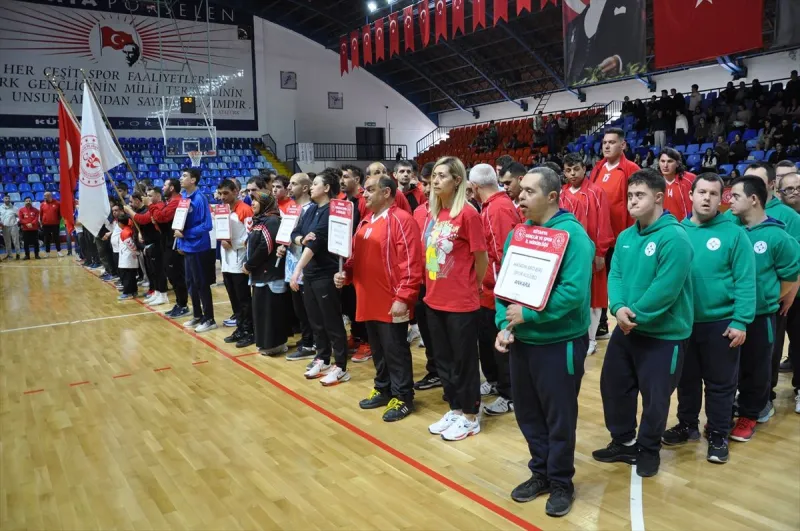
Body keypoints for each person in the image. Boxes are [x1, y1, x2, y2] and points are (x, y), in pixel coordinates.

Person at [495, 166, 594, 517]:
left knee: (559, 416)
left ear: (552, 196)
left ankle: (562, 481)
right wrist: (502, 323)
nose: (519, 196)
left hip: (560, 342)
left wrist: (530, 315)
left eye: (528, 191)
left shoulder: (575, 237)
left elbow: (572, 293)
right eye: (519, 190)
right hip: (523, 342)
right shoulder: (518, 234)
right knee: (528, 413)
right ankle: (541, 473)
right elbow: (504, 286)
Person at [593, 168, 694, 478]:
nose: (632, 201)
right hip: (628, 329)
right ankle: (623, 440)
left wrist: (631, 315)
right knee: (614, 386)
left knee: (655, 396)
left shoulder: (675, 237)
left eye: (640, 196)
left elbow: (666, 289)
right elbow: (616, 275)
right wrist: (619, 307)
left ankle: (649, 449)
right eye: (630, 196)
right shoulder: (625, 237)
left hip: (664, 335)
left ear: (659, 198)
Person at [663, 173, 755, 464]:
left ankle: (717, 434)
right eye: (701, 192)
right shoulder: (677, 232)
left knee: (720, 384)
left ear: (721, 199)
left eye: (713, 194)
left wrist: (741, 320)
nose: (706, 198)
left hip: (721, 323)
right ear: (690, 195)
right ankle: (687, 424)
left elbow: (745, 280)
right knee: (685, 381)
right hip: (684, 323)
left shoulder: (734, 233)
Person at [337, 173, 423, 422]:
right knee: (378, 348)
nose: (364, 194)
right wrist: (346, 274)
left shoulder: (401, 220)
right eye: (364, 190)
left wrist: (404, 297)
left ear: (386, 193)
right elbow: (355, 258)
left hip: (391, 299)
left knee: (395, 349)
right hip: (367, 298)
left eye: (370, 189)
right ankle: (384, 387)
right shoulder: (366, 221)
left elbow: (411, 262)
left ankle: (403, 396)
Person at [727, 176, 800, 442]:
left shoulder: (777, 235)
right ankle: (733, 408)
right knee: (730, 366)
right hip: (731, 314)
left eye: (735, 196)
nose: (729, 201)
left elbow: (791, 275)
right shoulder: (731, 229)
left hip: (761, 316)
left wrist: (769, 298)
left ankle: (750, 414)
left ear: (754, 199)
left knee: (757, 365)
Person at [423, 156, 488, 442]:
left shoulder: (469, 214)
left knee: (463, 361)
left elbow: (481, 257)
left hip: (461, 301)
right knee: (444, 361)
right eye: (433, 176)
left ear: (457, 180)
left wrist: (471, 285)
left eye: (441, 176)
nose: (435, 181)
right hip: (435, 298)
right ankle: (456, 408)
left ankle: (471, 415)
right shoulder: (437, 213)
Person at [743, 162, 800, 415]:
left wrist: (789, 292)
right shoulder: (738, 216)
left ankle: (793, 389)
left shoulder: (787, 216)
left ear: (770, 184)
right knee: (764, 351)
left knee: (791, 344)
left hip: (787, 295)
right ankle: (763, 395)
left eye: (757, 181)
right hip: (755, 300)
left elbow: (795, 260)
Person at [467, 164, 520, 416]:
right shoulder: (497, 205)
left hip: (495, 291)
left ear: (475, 187)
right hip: (491, 289)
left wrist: (499, 291)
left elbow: (500, 255)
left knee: (499, 343)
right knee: (488, 341)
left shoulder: (495, 210)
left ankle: (509, 394)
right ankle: (498, 382)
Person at [291, 171, 350, 385]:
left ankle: (341, 366)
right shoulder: (311, 210)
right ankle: (323, 358)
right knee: (316, 321)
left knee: (332, 322)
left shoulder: (332, 211)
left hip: (326, 274)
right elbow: (295, 232)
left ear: (326, 188)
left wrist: (296, 270)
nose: (312, 187)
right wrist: (300, 239)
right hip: (311, 274)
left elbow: (316, 243)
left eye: (315, 184)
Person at [561, 153, 614, 355]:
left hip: (591, 253)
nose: (572, 173)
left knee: (595, 297)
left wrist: (600, 252)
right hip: (566, 255)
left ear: (584, 169)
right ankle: (574, 334)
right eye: (568, 170)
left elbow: (602, 223)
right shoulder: (562, 193)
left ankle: (591, 339)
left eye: (576, 169)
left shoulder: (595, 192)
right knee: (572, 293)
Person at [589, 128, 640, 337]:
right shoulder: (598, 169)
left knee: (624, 280)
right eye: (604, 143)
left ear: (623, 145)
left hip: (623, 236)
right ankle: (601, 325)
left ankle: (632, 320)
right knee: (600, 282)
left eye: (612, 142)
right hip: (601, 238)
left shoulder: (631, 168)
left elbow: (637, 202)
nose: (607, 146)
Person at [278, 173, 317, 361]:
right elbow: (288, 235)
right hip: (291, 263)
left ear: (304, 187)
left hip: (305, 265)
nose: (289, 187)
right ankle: (307, 339)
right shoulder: (291, 208)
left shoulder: (312, 209)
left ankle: (311, 342)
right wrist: (282, 246)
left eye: (293, 184)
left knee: (307, 308)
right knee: (298, 308)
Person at [244, 192, 287, 356]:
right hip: (259, 275)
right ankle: (265, 343)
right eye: (252, 200)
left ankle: (275, 344)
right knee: (261, 310)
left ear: (266, 203)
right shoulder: (260, 220)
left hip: (269, 275)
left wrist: (249, 265)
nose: (253, 203)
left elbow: (266, 247)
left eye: (256, 201)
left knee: (271, 310)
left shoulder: (272, 220)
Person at [563, 0, 645, 85]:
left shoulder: (628, 5)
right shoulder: (575, 24)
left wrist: (619, 59)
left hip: (617, 85)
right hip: (582, 89)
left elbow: (637, 39)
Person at [412, 162, 442, 391]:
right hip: (421, 281)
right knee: (427, 329)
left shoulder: (450, 211)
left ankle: (448, 374)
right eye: (425, 184)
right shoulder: (419, 211)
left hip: (441, 281)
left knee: (444, 333)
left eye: (433, 183)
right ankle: (435, 371)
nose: (429, 188)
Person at [176, 168, 216, 333]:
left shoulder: (200, 199)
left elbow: (207, 225)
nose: (181, 178)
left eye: (185, 176)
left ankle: (210, 318)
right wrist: (180, 243)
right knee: (190, 283)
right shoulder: (183, 197)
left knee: (201, 283)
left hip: (199, 247)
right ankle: (198, 315)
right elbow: (180, 223)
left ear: (193, 180)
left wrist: (185, 234)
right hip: (187, 247)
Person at [217, 179, 255, 348]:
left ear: (235, 192)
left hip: (240, 260)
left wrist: (234, 243)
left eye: (226, 193)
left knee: (244, 298)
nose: (222, 197)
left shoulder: (245, 210)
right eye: (220, 193)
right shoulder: (223, 210)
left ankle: (250, 330)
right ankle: (240, 327)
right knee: (233, 298)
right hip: (226, 261)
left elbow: (251, 236)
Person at [774, 169, 800, 411]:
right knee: (774, 344)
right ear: (779, 193)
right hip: (779, 294)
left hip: (795, 293)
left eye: (798, 188)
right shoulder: (776, 218)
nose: (795, 193)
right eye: (789, 189)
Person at [339, 164, 371, 362]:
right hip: (345, 258)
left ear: (357, 180)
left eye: (346, 177)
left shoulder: (362, 201)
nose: (342, 180)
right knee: (350, 302)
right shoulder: (343, 201)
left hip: (359, 259)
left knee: (361, 302)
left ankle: (367, 342)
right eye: (341, 177)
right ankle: (357, 335)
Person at [149, 178, 190, 318]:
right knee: (171, 273)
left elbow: (162, 217)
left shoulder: (177, 202)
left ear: (172, 188)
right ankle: (179, 303)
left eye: (165, 185)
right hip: (167, 241)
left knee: (176, 274)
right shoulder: (170, 202)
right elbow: (160, 220)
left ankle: (183, 305)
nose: (163, 187)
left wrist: (151, 207)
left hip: (174, 243)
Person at [658, 148, 693, 221]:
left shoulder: (690, 180)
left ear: (677, 163)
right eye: (662, 161)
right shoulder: (654, 182)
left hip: (686, 228)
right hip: (664, 228)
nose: (665, 165)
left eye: (670, 161)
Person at [116, 212, 141, 301]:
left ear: (120, 223)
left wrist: (136, 252)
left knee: (127, 276)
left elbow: (130, 245)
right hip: (129, 257)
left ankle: (128, 293)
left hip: (128, 258)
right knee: (131, 276)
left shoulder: (125, 232)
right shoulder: (128, 229)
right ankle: (133, 291)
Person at [38, 192, 62, 257]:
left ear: (50, 196)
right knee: (47, 239)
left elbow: (60, 214)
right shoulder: (42, 204)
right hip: (45, 225)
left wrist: (56, 220)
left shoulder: (57, 203)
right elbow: (41, 214)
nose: (44, 197)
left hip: (55, 224)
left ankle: (59, 251)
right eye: (44, 196)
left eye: (46, 196)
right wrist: (41, 222)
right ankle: (47, 252)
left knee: (56, 238)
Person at [0, 195, 21, 260]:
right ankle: (9, 255)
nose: (7, 199)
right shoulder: (0, 207)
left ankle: (18, 254)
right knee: (7, 241)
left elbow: (19, 217)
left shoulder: (15, 208)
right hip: (4, 227)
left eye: (8, 198)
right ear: (3, 199)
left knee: (16, 241)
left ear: (10, 199)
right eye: (6, 198)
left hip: (13, 226)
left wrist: (16, 222)